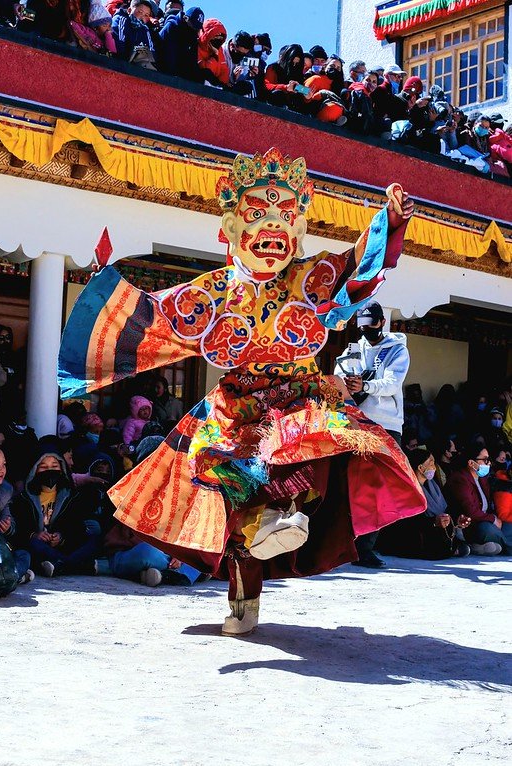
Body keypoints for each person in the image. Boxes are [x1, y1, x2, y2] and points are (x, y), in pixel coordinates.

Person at [59, 148, 424, 635]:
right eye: (258, 214)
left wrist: (388, 221)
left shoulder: (308, 280)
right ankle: (244, 599)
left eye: (286, 216)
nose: (273, 227)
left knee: (316, 445)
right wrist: (107, 294)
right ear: (231, 226)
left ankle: (282, 515)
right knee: (232, 508)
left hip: (301, 395)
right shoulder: (212, 293)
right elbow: (150, 320)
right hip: (237, 406)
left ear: (298, 231)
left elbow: (357, 266)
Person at [334, 300, 410, 568]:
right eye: (362, 326)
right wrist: (348, 386)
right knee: (350, 484)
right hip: (356, 421)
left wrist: (365, 384)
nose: (366, 330)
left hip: (385, 423)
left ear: (381, 323)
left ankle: (366, 548)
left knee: (379, 486)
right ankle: (344, 545)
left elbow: (392, 383)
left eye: (371, 325)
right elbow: (337, 377)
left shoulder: (396, 350)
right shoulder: (353, 349)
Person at [12, 450, 101, 576]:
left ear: (62, 469)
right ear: (34, 470)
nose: (49, 471)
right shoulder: (23, 499)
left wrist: (61, 537)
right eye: (43, 467)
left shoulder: (72, 496)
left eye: (54, 466)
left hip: (63, 547)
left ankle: (59, 565)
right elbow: (18, 528)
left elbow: (77, 527)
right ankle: (77, 565)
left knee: (94, 540)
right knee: (31, 546)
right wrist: (34, 535)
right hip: (38, 547)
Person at [377, 448, 471, 559]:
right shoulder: (407, 488)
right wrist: (434, 522)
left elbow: (444, 510)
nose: (434, 468)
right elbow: (407, 522)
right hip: (411, 534)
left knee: (460, 547)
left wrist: (456, 519)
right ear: (420, 468)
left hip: (431, 531)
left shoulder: (432, 486)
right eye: (431, 464)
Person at [0, 445, 34, 588]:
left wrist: (7, 527)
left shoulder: (5, 490)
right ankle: (12, 578)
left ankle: (10, 577)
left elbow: (9, 520)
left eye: (4, 464)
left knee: (23, 555)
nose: (1, 469)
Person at [446, 444, 511, 555]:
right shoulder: (460, 479)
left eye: (489, 459)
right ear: (471, 463)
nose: (489, 463)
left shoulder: (482, 478)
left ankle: (480, 547)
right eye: (485, 460)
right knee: (487, 529)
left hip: (487, 520)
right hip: (471, 525)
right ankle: (508, 547)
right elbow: (471, 512)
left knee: (509, 526)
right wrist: (493, 519)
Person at [158, 5, 204, 80]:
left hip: (178, 78)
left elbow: (192, 61)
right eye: (192, 25)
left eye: (196, 27)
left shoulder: (193, 36)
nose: (193, 29)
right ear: (185, 18)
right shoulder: (172, 26)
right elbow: (161, 50)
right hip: (162, 74)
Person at [112, 0, 156, 67]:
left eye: (146, 15)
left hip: (134, 67)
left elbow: (151, 50)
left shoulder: (144, 29)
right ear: (129, 10)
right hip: (116, 61)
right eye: (140, 12)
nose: (142, 17)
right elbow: (118, 44)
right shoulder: (120, 20)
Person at [220, 30, 256, 95]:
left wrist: (250, 75)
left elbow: (241, 80)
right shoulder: (221, 51)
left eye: (244, 54)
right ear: (232, 45)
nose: (241, 56)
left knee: (248, 86)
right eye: (239, 53)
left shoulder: (245, 58)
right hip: (218, 86)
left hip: (232, 87)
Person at [197, 17, 229, 87]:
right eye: (215, 37)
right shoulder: (196, 47)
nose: (218, 40)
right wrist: (214, 56)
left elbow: (224, 72)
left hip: (216, 89)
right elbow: (204, 70)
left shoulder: (219, 50)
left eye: (220, 38)